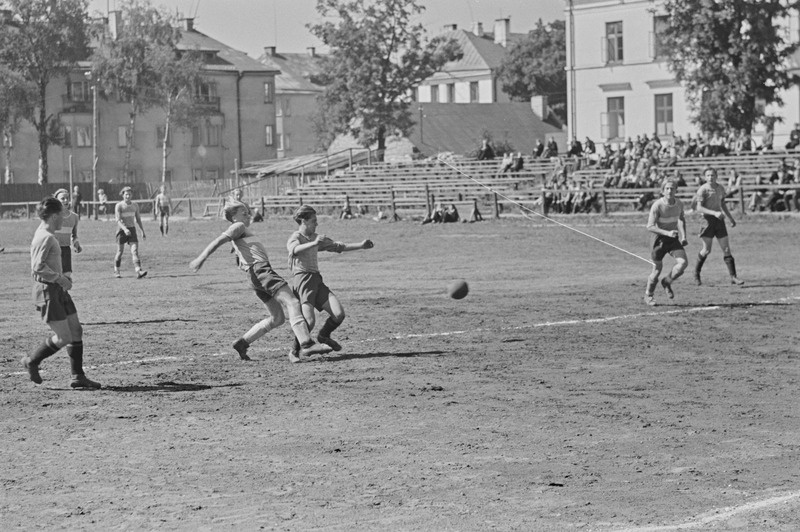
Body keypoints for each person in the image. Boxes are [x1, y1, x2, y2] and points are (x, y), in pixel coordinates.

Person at [189, 200, 333, 363]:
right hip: (261, 271)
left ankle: (243, 343)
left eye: (248, 212)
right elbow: (218, 241)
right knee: (292, 302)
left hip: (254, 276)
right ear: (234, 217)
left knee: (277, 318)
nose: (248, 215)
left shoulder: (241, 232)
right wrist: (201, 258)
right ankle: (306, 344)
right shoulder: (238, 226)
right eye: (243, 213)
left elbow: (240, 255)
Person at [21, 197, 101, 389]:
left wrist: (60, 280)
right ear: (54, 216)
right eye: (62, 215)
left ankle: (78, 376)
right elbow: (37, 267)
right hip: (47, 290)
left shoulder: (49, 234)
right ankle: (31, 360)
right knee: (64, 337)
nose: (64, 219)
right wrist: (60, 278)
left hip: (58, 289)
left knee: (76, 330)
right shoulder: (45, 237)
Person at [287, 205, 373, 358]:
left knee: (339, 314)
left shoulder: (316, 238)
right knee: (309, 321)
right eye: (313, 221)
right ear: (304, 221)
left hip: (316, 280)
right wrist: (314, 243)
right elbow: (294, 250)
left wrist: (361, 245)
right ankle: (294, 350)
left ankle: (324, 335)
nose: (317, 223)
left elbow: (338, 246)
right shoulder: (296, 237)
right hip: (303, 281)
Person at [692, 167, 744, 286]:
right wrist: (714, 213)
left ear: (716, 176)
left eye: (712, 175)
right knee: (706, 250)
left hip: (719, 220)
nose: (710, 177)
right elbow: (699, 207)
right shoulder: (703, 189)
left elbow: (723, 204)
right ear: (705, 177)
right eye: (708, 175)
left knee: (726, 249)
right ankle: (696, 274)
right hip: (707, 221)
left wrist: (730, 218)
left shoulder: (720, 188)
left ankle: (733, 277)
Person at [644, 179, 688, 306]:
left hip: (672, 239)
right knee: (657, 271)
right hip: (658, 240)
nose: (669, 191)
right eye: (667, 188)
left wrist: (684, 236)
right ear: (662, 191)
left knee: (683, 264)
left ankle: (667, 281)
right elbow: (650, 226)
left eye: (672, 188)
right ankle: (649, 295)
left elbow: (681, 219)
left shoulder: (679, 204)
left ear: (676, 190)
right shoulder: (657, 205)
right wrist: (667, 233)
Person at [114, 186, 147, 279]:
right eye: (126, 194)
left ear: (132, 195)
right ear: (123, 195)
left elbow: (138, 219)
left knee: (134, 251)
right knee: (120, 252)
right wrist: (125, 229)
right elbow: (118, 220)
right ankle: (116, 270)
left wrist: (142, 231)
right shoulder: (119, 205)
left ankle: (139, 271)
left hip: (132, 229)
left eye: (129, 194)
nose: (128, 196)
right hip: (121, 230)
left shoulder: (135, 205)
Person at [52, 189, 82, 279]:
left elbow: (74, 234)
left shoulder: (74, 217)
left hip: (66, 250)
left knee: (67, 275)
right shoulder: (52, 216)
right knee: (55, 276)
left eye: (67, 198)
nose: (66, 200)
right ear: (56, 200)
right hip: (53, 249)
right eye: (62, 198)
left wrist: (76, 243)